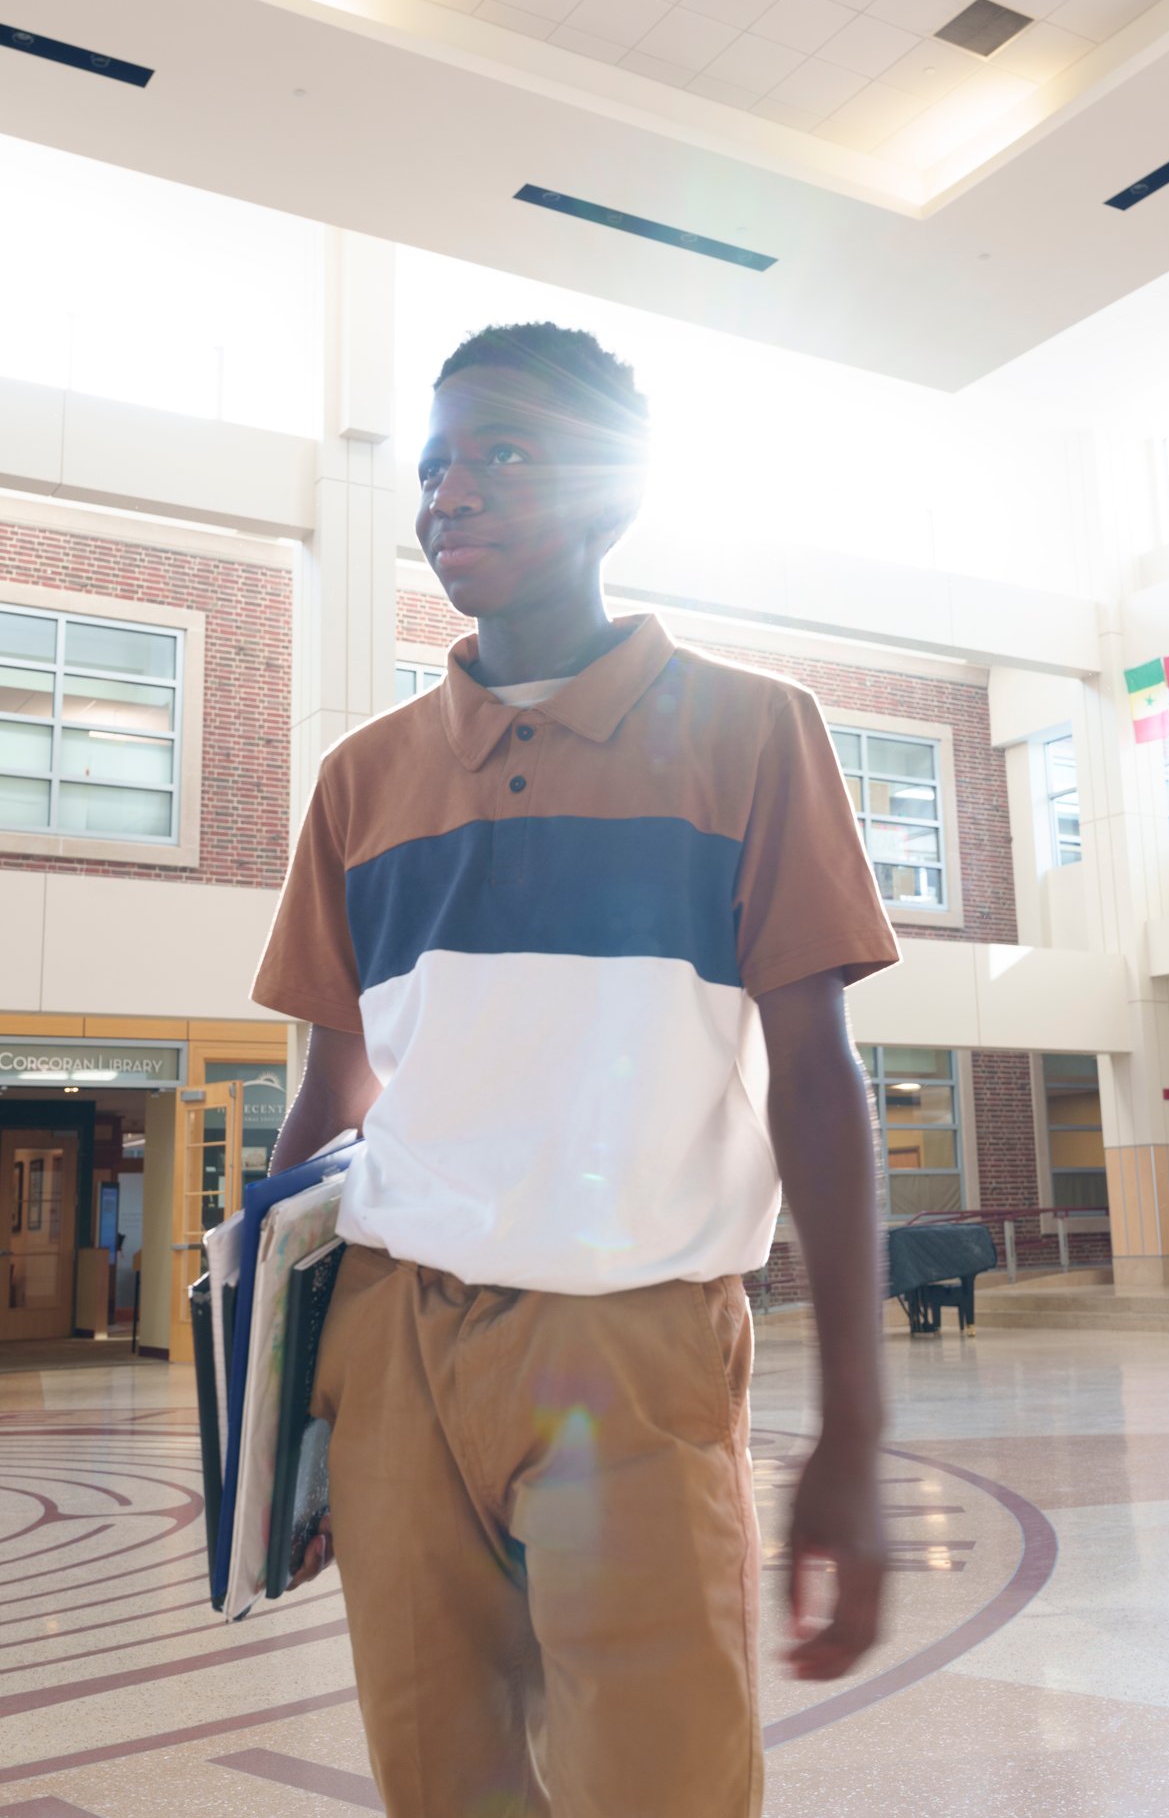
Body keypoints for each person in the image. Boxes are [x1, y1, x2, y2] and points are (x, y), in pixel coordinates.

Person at [254, 321, 900, 1818]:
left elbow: (816, 1078)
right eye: (432, 466)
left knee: (657, 1783)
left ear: (613, 498)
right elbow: (326, 1096)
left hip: (629, 1346)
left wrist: (853, 1434)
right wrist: (282, 1424)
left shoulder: (751, 732)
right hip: (391, 1345)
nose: (449, 494)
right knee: (444, 1782)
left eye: (502, 454)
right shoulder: (362, 779)